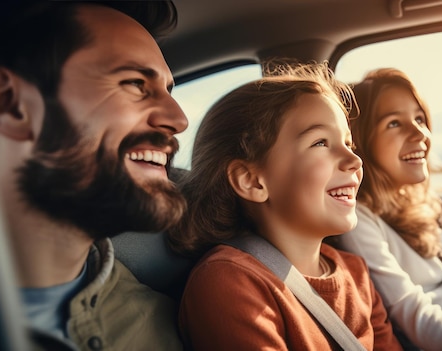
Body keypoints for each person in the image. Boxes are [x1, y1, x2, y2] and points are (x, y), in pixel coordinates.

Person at [0, 0, 188, 349]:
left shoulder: (160, 327)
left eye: (169, 91)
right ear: (9, 103)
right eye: (134, 83)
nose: (178, 120)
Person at [167, 62, 403, 350]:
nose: (355, 160)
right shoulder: (228, 282)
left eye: (349, 144)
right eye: (320, 143)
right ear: (252, 181)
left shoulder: (355, 272)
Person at [335, 68, 442, 351]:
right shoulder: (361, 220)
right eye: (394, 123)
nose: (420, 133)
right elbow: (413, 315)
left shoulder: (417, 205)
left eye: (419, 118)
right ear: (362, 142)